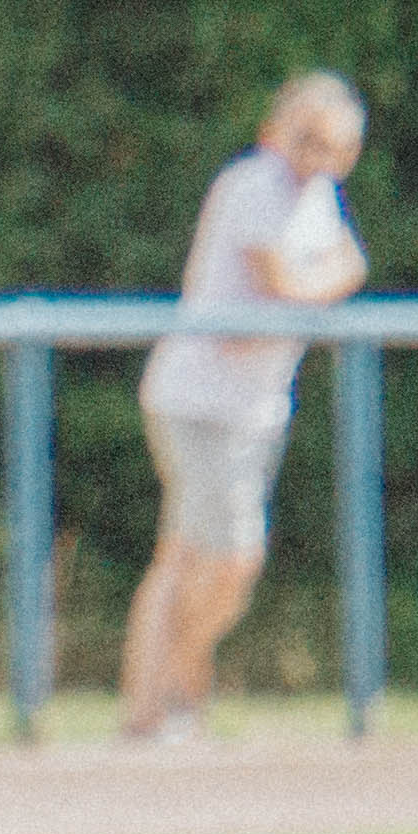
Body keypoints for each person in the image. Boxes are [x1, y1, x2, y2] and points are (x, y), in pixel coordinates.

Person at [120, 72, 370, 745]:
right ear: (274, 131)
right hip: (201, 400)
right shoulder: (257, 183)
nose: (319, 156)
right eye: (308, 138)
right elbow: (287, 285)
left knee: (189, 557)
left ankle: (156, 706)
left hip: (255, 408)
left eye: (335, 146)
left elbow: (340, 270)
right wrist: (334, 279)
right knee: (229, 560)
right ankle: (170, 693)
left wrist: (332, 278)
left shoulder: (315, 196)